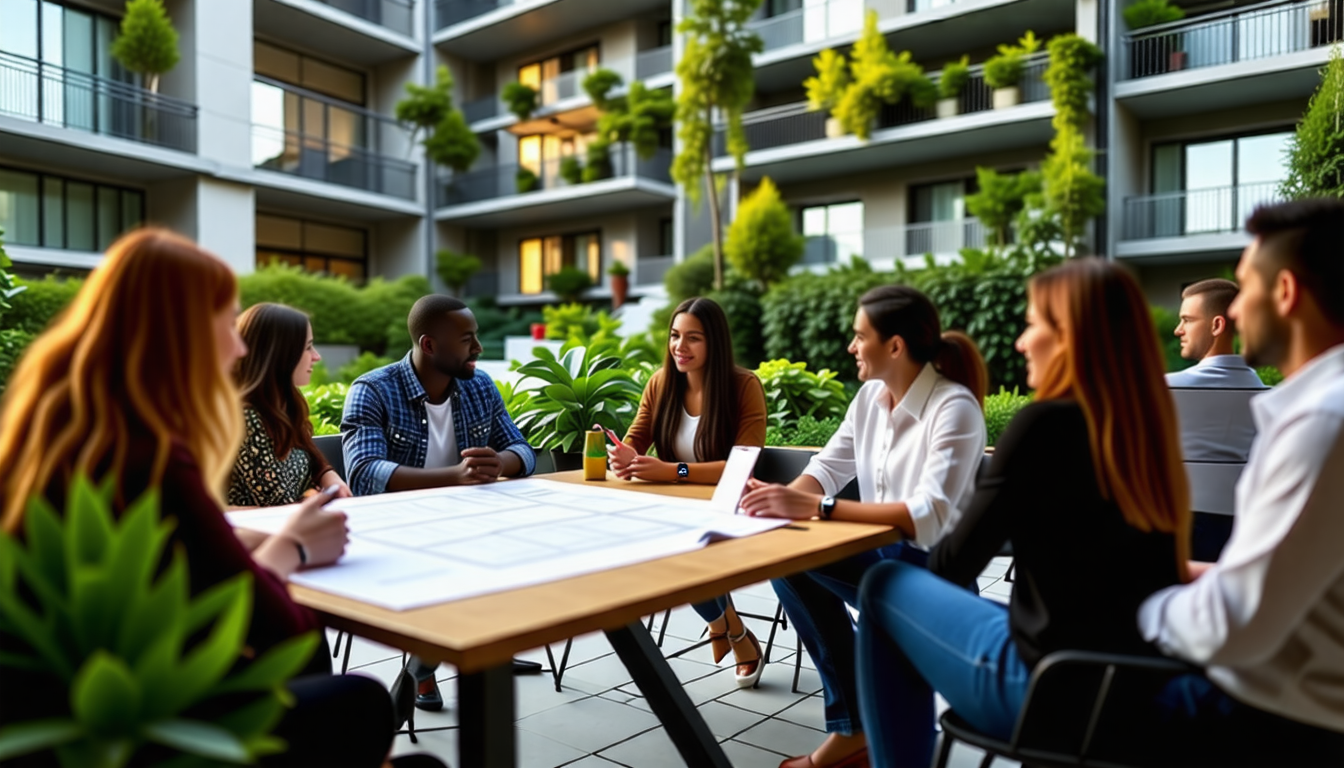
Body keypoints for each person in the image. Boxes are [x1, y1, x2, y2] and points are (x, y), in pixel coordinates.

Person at [0, 228, 440, 768]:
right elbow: (279, 627)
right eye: (226, 323)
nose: (236, 345)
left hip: (61, 708)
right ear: (178, 333)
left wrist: (253, 533)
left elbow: (178, 545)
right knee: (364, 702)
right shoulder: (150, 451)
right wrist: (293, 546)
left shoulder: (59, 431)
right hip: (144, 725)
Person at [851, 258, 1188, 768]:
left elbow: (949, 569)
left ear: (1069, 336)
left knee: (882, 586)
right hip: (1133, 682)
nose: (1021, 342)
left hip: (1051, 690)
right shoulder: (1150, 429)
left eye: (1032, 324)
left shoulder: (1042, 426)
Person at [739, 285, 989, 768]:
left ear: (894, 346)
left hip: (937, 574)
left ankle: (864, 729)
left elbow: (927, 514)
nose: (851, 347)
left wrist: (817, 509)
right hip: (882, 558)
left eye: (860, 337)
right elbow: (828, 468)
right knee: (784, 557)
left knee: (866, 575)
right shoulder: (872, 397)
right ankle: (852, 726)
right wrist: (780, 500)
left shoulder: (953, 407)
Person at [1136, 198, 1344, 766]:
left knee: (894, 596)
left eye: (1245, 285)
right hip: (1295, 693)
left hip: (1267, 713)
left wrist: (1134, 603)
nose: (1240, 304)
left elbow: (1237, 625)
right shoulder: (1308, 407)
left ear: (1285, 292)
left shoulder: (1322, 422)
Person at [341, 293, 540, 711]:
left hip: (471, 524)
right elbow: (363, 473)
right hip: (396, 532)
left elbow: (523, 450)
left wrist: (499, 461)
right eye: (468, 339)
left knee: (526, 553)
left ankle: (473, 652)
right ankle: (431, 667)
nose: (479, 349)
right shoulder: (373, 389)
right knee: (472, 563)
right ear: (429, 345)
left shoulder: (479, 386)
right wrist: (452, 478)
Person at [607, 296, 769, 687]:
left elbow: (741, 466)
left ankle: (723, 626)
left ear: (715, 342)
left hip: (729, 508)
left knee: (685, 550)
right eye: (675, 336)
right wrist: (623, 457)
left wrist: (673, 470)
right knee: (648, 543)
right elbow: (635, 442)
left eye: (693, 338)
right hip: (672, 509)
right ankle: (729, 626)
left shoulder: (743, 386)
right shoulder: (660, 384)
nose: (680, 347)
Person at [229, 302, 352, 508]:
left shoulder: (283, 403)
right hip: (264, 534)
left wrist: (328, 476)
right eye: (307, 347)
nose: (316, 357)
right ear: (278, 355)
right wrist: (320, 496)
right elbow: (279, 505)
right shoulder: (246, 419)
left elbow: (309, 452)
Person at [1167, 278, 1265, 389]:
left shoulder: (1164, 387)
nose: (1177, 331)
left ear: (1217, 326)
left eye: (1187, 320)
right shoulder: (1261, 387)